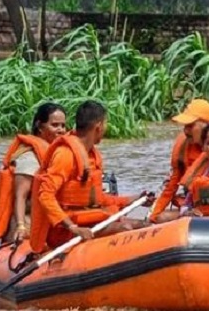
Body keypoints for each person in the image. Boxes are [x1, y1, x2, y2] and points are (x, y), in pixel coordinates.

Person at [29, 100, 153, 253]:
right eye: (105, 125)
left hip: (87, 221)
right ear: (98, 127)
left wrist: (132, 200)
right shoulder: (65, 155)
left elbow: (98, 200)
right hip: (64, 230)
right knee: (125, 228)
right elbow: (45, 196)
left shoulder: (91, 156)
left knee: (142, 225)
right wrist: (73, 227)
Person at [0, 102, 66, 243]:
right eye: (55, 125)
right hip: (27, 218)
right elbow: (20, 196)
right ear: (40, 126)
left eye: (63, 125)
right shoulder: (30, 157)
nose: (61, 130)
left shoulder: (61, 154)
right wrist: (21, 226)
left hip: (51, 217)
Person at [148, 99, 209, 222]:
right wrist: (151, 217)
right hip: (193, 208)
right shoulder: (183, 148)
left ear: (207, 126)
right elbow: (170, 187)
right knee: (159, 217)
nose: (186, 131)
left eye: (190, 126)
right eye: (185, 126)